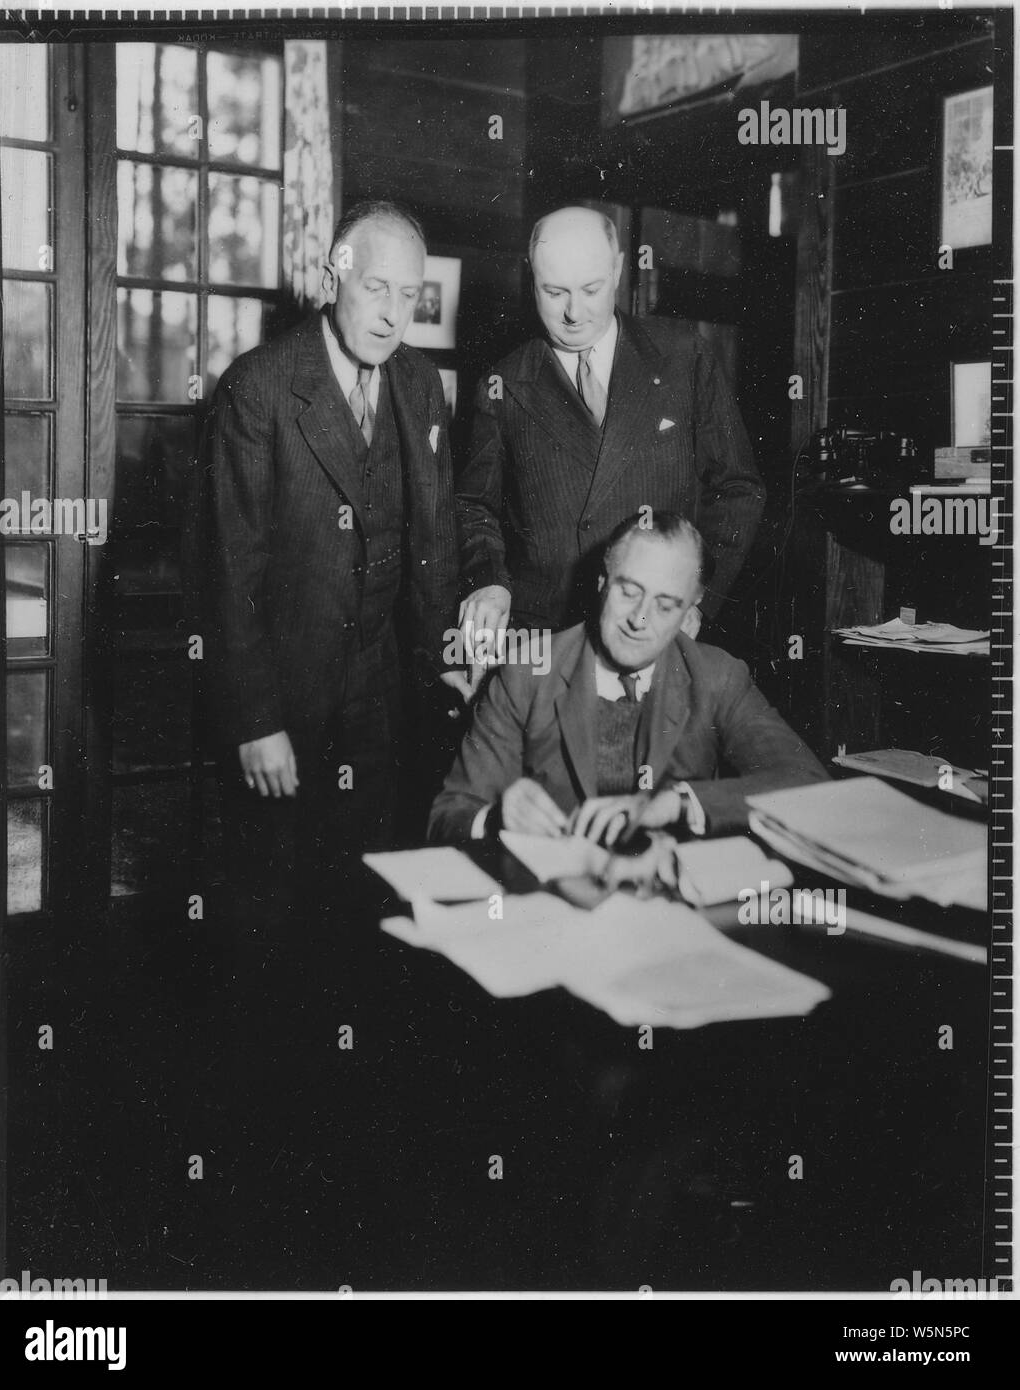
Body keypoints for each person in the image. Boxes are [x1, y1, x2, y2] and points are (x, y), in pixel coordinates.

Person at [196, 200, 469, 918]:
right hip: (285, 701)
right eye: (375, 287)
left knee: (364, 897)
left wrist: (444, 664)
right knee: (269, 903)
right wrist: (255, 722)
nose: (391, 314)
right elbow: (229, 572)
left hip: (382, 699)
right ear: (333, 275)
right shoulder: (258, 388)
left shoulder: (418, 384)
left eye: (408, 295)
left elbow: (434, 542)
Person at [456, 205, 765, 683]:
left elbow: (739, 487)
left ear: (619, 270)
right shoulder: (502, 384)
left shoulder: (683, 356)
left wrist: (695, 594)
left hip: (656, 634)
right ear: (529, 278)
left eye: (592, 289)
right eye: (553, 291)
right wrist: (490, 582)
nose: (573, 312)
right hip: (547, 647)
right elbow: (476, 506)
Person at [429, 512, 827, 847]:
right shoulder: (527, 671)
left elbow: (810, 786)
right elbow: (449, 814)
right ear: (602, 585)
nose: (640, 619)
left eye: (665, 604)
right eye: (629, 591)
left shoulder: (718, 676)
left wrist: (678, 802)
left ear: (691, 610)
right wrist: (496, 818)